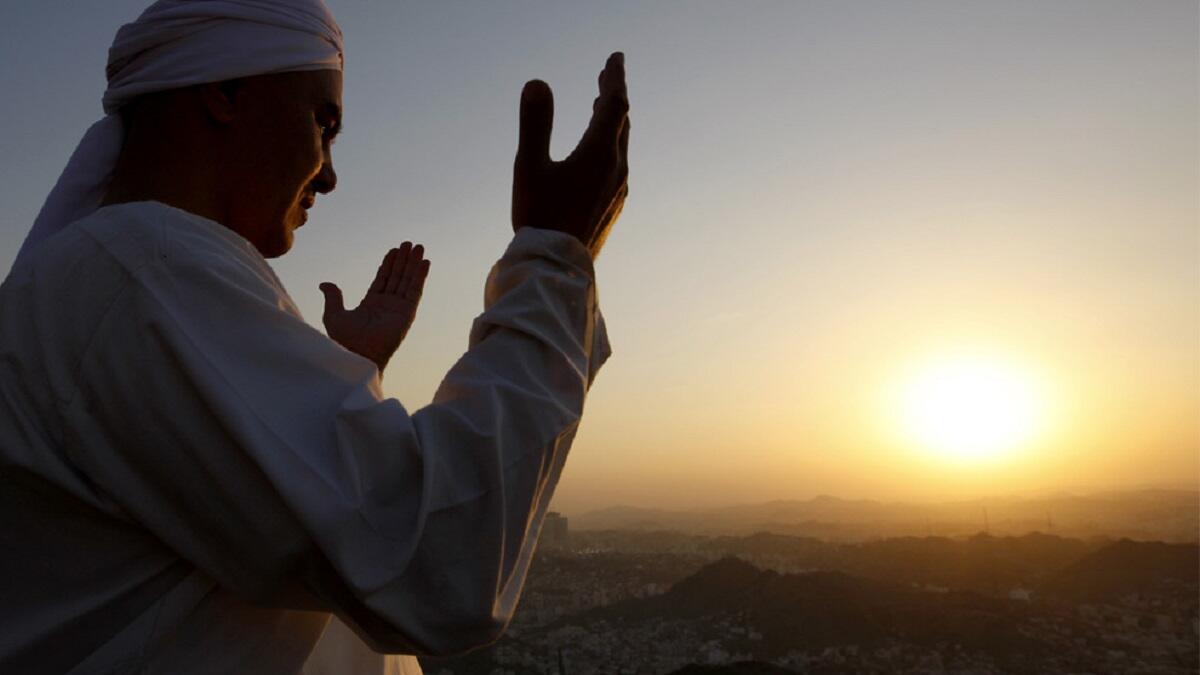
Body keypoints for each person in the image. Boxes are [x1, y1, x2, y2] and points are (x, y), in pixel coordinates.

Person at [0, 1, 629, 674]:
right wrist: (555, 261)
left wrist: (347, 374)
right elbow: (440, 560)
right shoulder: (140, 267)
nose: (329, 172)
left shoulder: (120, 279)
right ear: (225, 89)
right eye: (322, 123)